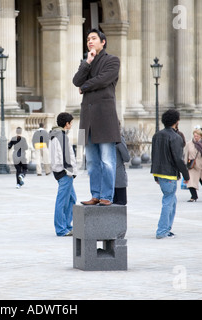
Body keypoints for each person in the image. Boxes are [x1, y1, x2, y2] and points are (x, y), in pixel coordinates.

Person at [73, 28, 121, 206]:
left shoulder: (113, 60)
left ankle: (106, 196)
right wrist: (87, 62)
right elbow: (76, 81)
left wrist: (85, 87)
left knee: (107, 161)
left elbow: (103, 79)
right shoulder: (86, 63)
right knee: (92, 162)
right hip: (87, 120)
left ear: (103, 42)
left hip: (105, 118)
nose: (90, 42)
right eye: (87, 39)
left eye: (93, 38)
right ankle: (95, 195)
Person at [151, 109, 190, 239]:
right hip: (169, 174)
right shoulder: (175, 137)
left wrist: (156, 175)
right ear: (176, 121)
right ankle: (162, 231)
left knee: (172, 200)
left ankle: (167, 229)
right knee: (168, 201)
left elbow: (154, 156)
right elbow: (178, 159)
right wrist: (186, 176)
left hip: (160, 173)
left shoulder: (157, 135)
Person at [50, 113, 77, 237]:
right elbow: (65, 157)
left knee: (72, 199)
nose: (71, 125)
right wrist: (71, 172)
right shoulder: (61, 136)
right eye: (71, 123)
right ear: (67, 124)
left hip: (62, 172)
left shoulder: (57, 135)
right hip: (65, 173)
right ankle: (61, 229)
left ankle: (67, 226)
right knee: (62, 201)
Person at [184, 128, 202, 202]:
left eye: (197, 136)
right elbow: (186, 154)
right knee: (191, 180)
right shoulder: (189, 143)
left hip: (201, 165)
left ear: (201, 136)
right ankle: (193, 196)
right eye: (194, 136)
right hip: (192, 165)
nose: (196, 137)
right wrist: (185, 164)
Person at [114, 132, 130, 205]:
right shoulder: (118, 138)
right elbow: (126, 158)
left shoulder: (102, 137)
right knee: (121, 203)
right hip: (118, 179)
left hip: (105, 180)